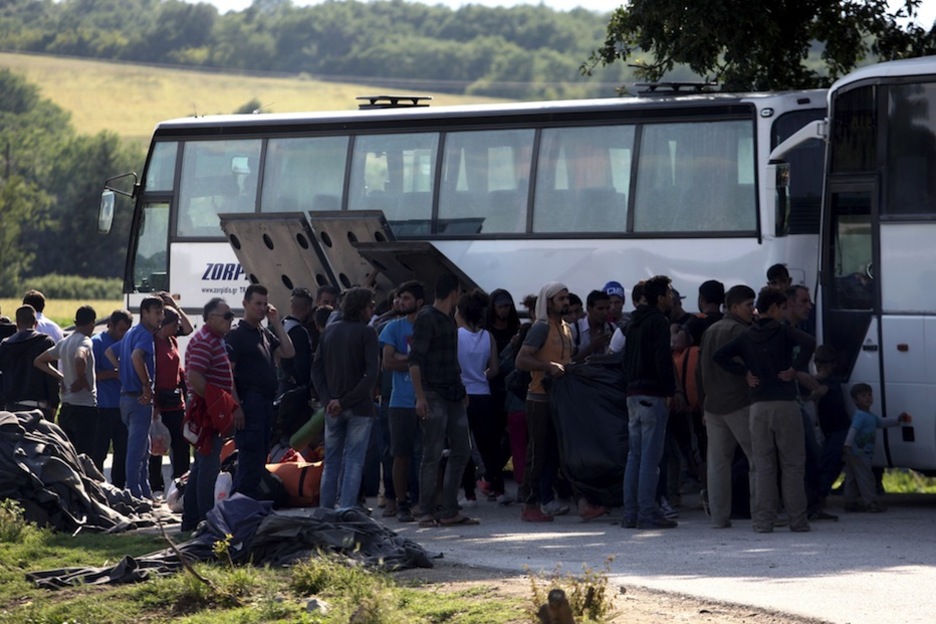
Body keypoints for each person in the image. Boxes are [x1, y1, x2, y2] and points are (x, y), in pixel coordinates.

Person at [713, 287, 815, 533]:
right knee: (792, 464)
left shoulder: (747, 335)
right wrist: (795, 369)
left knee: (763, 465)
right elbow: (809, 342)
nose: (783, 312)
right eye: (782, 308)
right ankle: (797, 520)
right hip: (785, 403)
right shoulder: (783, 331)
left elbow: (720, 356)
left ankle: (763, 521)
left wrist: (744, 373)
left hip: (758, 406)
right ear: (774, 308)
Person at [409, 273, 478, 527]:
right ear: (454, 293)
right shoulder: (428, 318)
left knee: (462, 450)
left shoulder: (448, 320)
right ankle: (426, 509)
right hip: (434, 394)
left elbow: (450, 361)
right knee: (432, 453)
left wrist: (461, 390)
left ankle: (449, 510)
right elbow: (415, 360)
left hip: (452, 393)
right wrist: (420, 397)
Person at [312, 287, 379, 510]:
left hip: (332, 406)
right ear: (362, 308)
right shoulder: (367, 332)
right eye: (371, 305)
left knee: (331, 462)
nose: (372, 310)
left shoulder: (329, 331)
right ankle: (347, 510)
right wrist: (345, 401)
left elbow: (317, 370)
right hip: (358, 407)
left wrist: (328, 399)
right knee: (353, 461)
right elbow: (371, 374)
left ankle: (325, 510)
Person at [226, 284, 294, 499]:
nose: (262, 308)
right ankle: (237, 510)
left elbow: (288, 351)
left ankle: (248, 509)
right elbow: (228, 374)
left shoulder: (263, 333)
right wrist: (236, 406)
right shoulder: (237, 334)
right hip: (250, 401)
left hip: (265, 402)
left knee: (259, 458)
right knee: (249, 458)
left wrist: (276, 323)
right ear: (245, 304)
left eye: (265, 304)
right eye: (257, 304)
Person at [621, 275, 679, 530]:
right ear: (659, 298)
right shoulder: (658, 321)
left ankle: (630, 513)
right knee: (650, 458)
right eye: (669, 292)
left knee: (634, 456)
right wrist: (670, 391)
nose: (672, 296)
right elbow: (662, 359)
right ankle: (647, 512)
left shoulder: (633, 322)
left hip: (633, 394)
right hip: (652, 394)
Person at [698, 285, 757, 529]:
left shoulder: (710, 330)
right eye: (748, 305)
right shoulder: (740, 331)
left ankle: (718, 518)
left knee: (717, 464)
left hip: (713, 405)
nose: (753, 310)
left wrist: (703, 404)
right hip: (739, 403)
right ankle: (761, 512)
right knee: (758, 459)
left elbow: (698, 371)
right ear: (734, 306)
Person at [181, 297, 236, 531]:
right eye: (226, 317)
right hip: (206, 412)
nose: (230, 321)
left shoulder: (215, 340)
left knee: (201, 466)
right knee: (209, 466)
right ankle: (205, 521)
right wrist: (216, 406)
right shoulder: (205, 340)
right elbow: (194, 376)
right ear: (211, 318)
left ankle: (191, 520)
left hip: (208, 410)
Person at [108, 295, 165, 500]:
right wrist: (145, 385)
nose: (161, 317)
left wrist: (123, 373)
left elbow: (110, 352)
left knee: (143, 449)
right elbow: (135, 356)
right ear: (145, 313)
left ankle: (144, 491)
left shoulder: (131, 333)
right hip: (138, 398)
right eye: (157, 313)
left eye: (162, 312)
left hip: (126, 397)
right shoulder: (144, 335)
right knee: (136, 451)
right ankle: (134, 494)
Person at [378, 281, 425, 522]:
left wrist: (402, 356)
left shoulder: (429, 327)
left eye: (406, 298)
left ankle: (422, 500)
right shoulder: (392, 328)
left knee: (427, 454)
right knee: (400, 454)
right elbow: (387, 362)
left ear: (419, 302)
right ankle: (401, 502)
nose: (401, 303)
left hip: (427, 399)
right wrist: (415, 359)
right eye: (400, 298)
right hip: (400, 401)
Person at [456, 289, 508, 504]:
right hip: (484, 394)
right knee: (490, 445)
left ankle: (469, 492)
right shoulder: (489, 337)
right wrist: (481, 375)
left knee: (464, 445)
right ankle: (499, 488)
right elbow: (494, 369)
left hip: (463, 395)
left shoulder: (457, 335)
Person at [34, 305, 97, 458]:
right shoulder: (85, 341)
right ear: (92, 323)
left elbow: (39, 361)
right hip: (85, 407)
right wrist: (81, 379)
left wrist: (60, 377)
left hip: (67, 408)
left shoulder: (65, 342)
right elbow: (79, 357)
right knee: (85, 456)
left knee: (69, 455)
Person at [843, 383, 908, 513]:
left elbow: (882, 423)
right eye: (863, 395)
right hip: (860, 452)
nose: (868, 398)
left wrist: (897, 420)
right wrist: (848, 444)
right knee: (866, 477)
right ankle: (871, 503)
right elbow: (853, 430)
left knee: (852, 478)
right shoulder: (860, 416)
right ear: (855, 400)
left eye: (869, 394)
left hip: (855, 452)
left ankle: (850, 502)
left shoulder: (870, 416)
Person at [147, 308, 191, 496]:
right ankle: (156, 487)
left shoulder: (172, 340)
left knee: (181, 445)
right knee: (157, 446)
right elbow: (152, 374)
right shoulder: (153, 342)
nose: (178, 328)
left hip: (176, 401)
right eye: (175, 324)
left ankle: (180, 484)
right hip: (159, 402)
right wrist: (154, 403)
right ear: (165, 324)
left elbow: (178, 368)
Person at [91, 309, 132, 483]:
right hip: (102, 406)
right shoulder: (97, 343)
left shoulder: (127, 343)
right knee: (99, 451)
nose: (123, 334)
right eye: (120, 329)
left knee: (122, 451)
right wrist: (114, 374)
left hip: (122, 406)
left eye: (126, 330)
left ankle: (118, 487)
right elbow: (91, 375)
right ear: (110, 325)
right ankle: (97, 485)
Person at [809, 345, 851, 510]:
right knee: (829, 462)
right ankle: (821, 494)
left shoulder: (831, 380)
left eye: (826, 363)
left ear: (833, 364)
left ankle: (821, 496)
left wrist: (813, 379)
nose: (822, 367)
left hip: (839, 429)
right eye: (819, 363)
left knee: (829, 463)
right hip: (831, 430)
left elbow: (818, 394)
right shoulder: (828, 379)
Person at [0, 305, 58, 418]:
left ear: (17, 323)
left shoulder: (4, 346)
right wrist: (54, 403)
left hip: (11, 410)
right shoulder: (45, 342)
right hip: (38, 408)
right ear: (35, 323)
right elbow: (51, 377)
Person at [278, 287, 314, 398]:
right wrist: (306, 384)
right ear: (308, 308)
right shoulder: (300, 332)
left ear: (292, 306)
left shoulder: (280, 326)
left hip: (281, 381)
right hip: (295, 387)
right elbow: (301, 363)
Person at [571, 290, 614, 362]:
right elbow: (568, 362)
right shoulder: (574, 330)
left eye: (607, 308)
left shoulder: (612, 329)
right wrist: (591, 348)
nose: (605, 313)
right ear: (589, 309)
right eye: (600, 309)